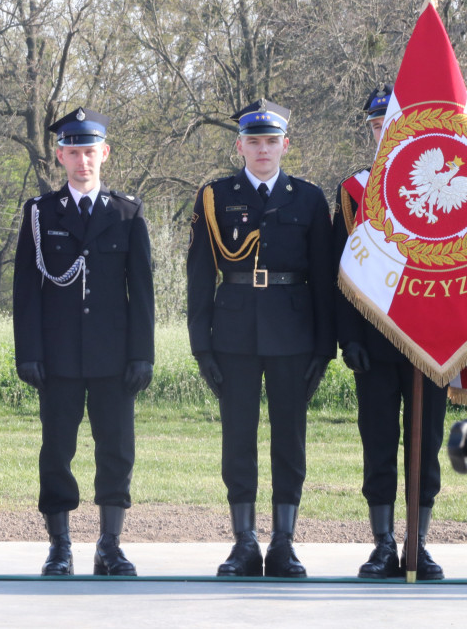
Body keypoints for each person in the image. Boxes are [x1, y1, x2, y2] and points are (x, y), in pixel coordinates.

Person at [186, 99, 334, 578]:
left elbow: (324, 279)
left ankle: (284, 543)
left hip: (293, 333)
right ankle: (245, 542)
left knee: (289, 440)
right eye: (254, 141)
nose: (263, 149)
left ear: (285, 145)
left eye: (272, 141)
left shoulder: (308, 199)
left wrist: (323, 347)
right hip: (233, 334)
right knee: (238, 440)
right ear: (240, 146)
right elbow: (199, 276)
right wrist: (201, 346)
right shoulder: (215, 196)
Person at [12, 107, 155, 576]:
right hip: (57, 357)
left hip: (113, 357)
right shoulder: (39, 214)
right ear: (59, 156)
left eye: (90, 151)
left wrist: (142, 354)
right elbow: (26, 291)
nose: (82, 161)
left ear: (104, 153)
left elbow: (142, 293)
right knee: (56, 450)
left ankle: (110, 545)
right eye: (73, 152)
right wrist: (28, 351)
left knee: (116, 450)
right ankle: (59, 546)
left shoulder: (127, 213)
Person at [333, 84, 446, 580]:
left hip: (433, 344)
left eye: (391, 126)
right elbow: (339, 271)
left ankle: (418, 544)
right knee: (378, 441)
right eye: (377, 128)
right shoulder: (355, 190)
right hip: (374, 342)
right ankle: (382, 544)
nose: (383, 135)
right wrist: (349, 337)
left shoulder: (446, 194)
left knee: (429, 445)